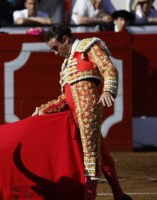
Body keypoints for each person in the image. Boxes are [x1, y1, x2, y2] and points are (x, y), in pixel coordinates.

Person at [31, 25, 132, 200]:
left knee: (90, 155)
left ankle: (89, 197)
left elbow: (109, 68)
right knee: (100, 153)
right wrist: (44, 109)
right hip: (75, 114)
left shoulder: (88, 46)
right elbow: (65, 98)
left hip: (88, 110)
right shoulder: (66, 64)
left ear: (65, 40)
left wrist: (108, 90)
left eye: (56, 48)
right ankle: (120, 195)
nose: (55, 53)